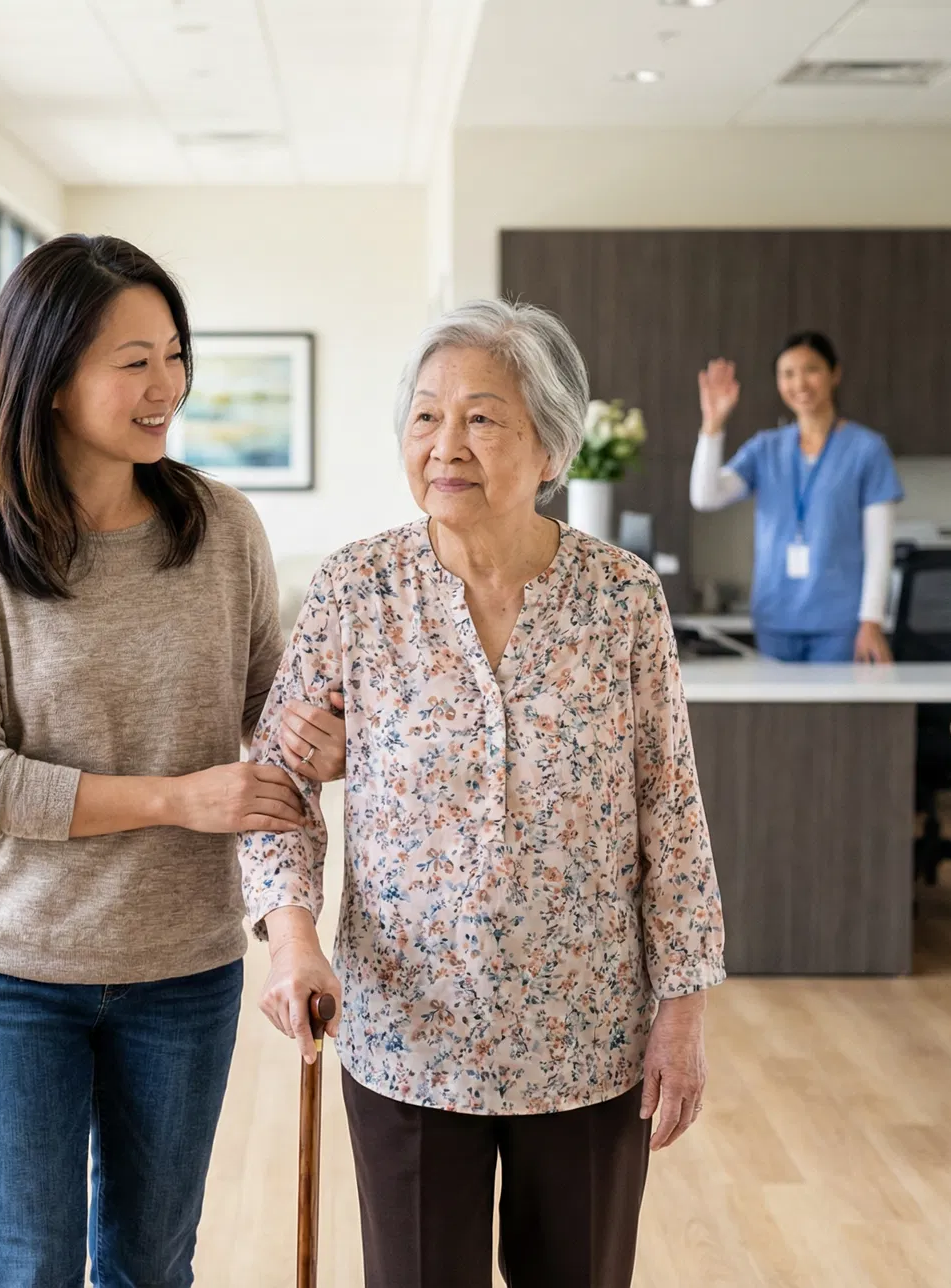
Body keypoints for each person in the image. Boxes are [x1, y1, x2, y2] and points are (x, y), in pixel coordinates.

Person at [241, 298, 726, 1288]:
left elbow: (670, 811)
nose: (444, 444)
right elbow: (276, 787)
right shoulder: (357, 589)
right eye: (425, 417)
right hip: (412, 1037)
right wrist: (293, 937)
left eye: (480, 417)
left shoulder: (623, 598)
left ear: (552, 448)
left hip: (589, 1038)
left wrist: (682, 1010)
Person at [0, 234, 340, 1288]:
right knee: (27, 1265)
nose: (167, 386)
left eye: (176, 354)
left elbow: (268, 728)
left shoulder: (222, 529)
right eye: (133, 360)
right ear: (49, 378)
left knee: (151, 1265)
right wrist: (181, 799)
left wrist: (318, 744)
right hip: (9, 969)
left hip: (181, 968)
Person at [688, 332, 903, 664]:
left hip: (840, 623)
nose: (799, 382)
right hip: (775, 618)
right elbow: (705, 496)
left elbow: (879, 546)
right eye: (787, 374)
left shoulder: (867, 450)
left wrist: (871, 620)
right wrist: (712, 423)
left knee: (832, 716)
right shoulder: (765, 448)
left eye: (811, 370)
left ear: (835, 373)